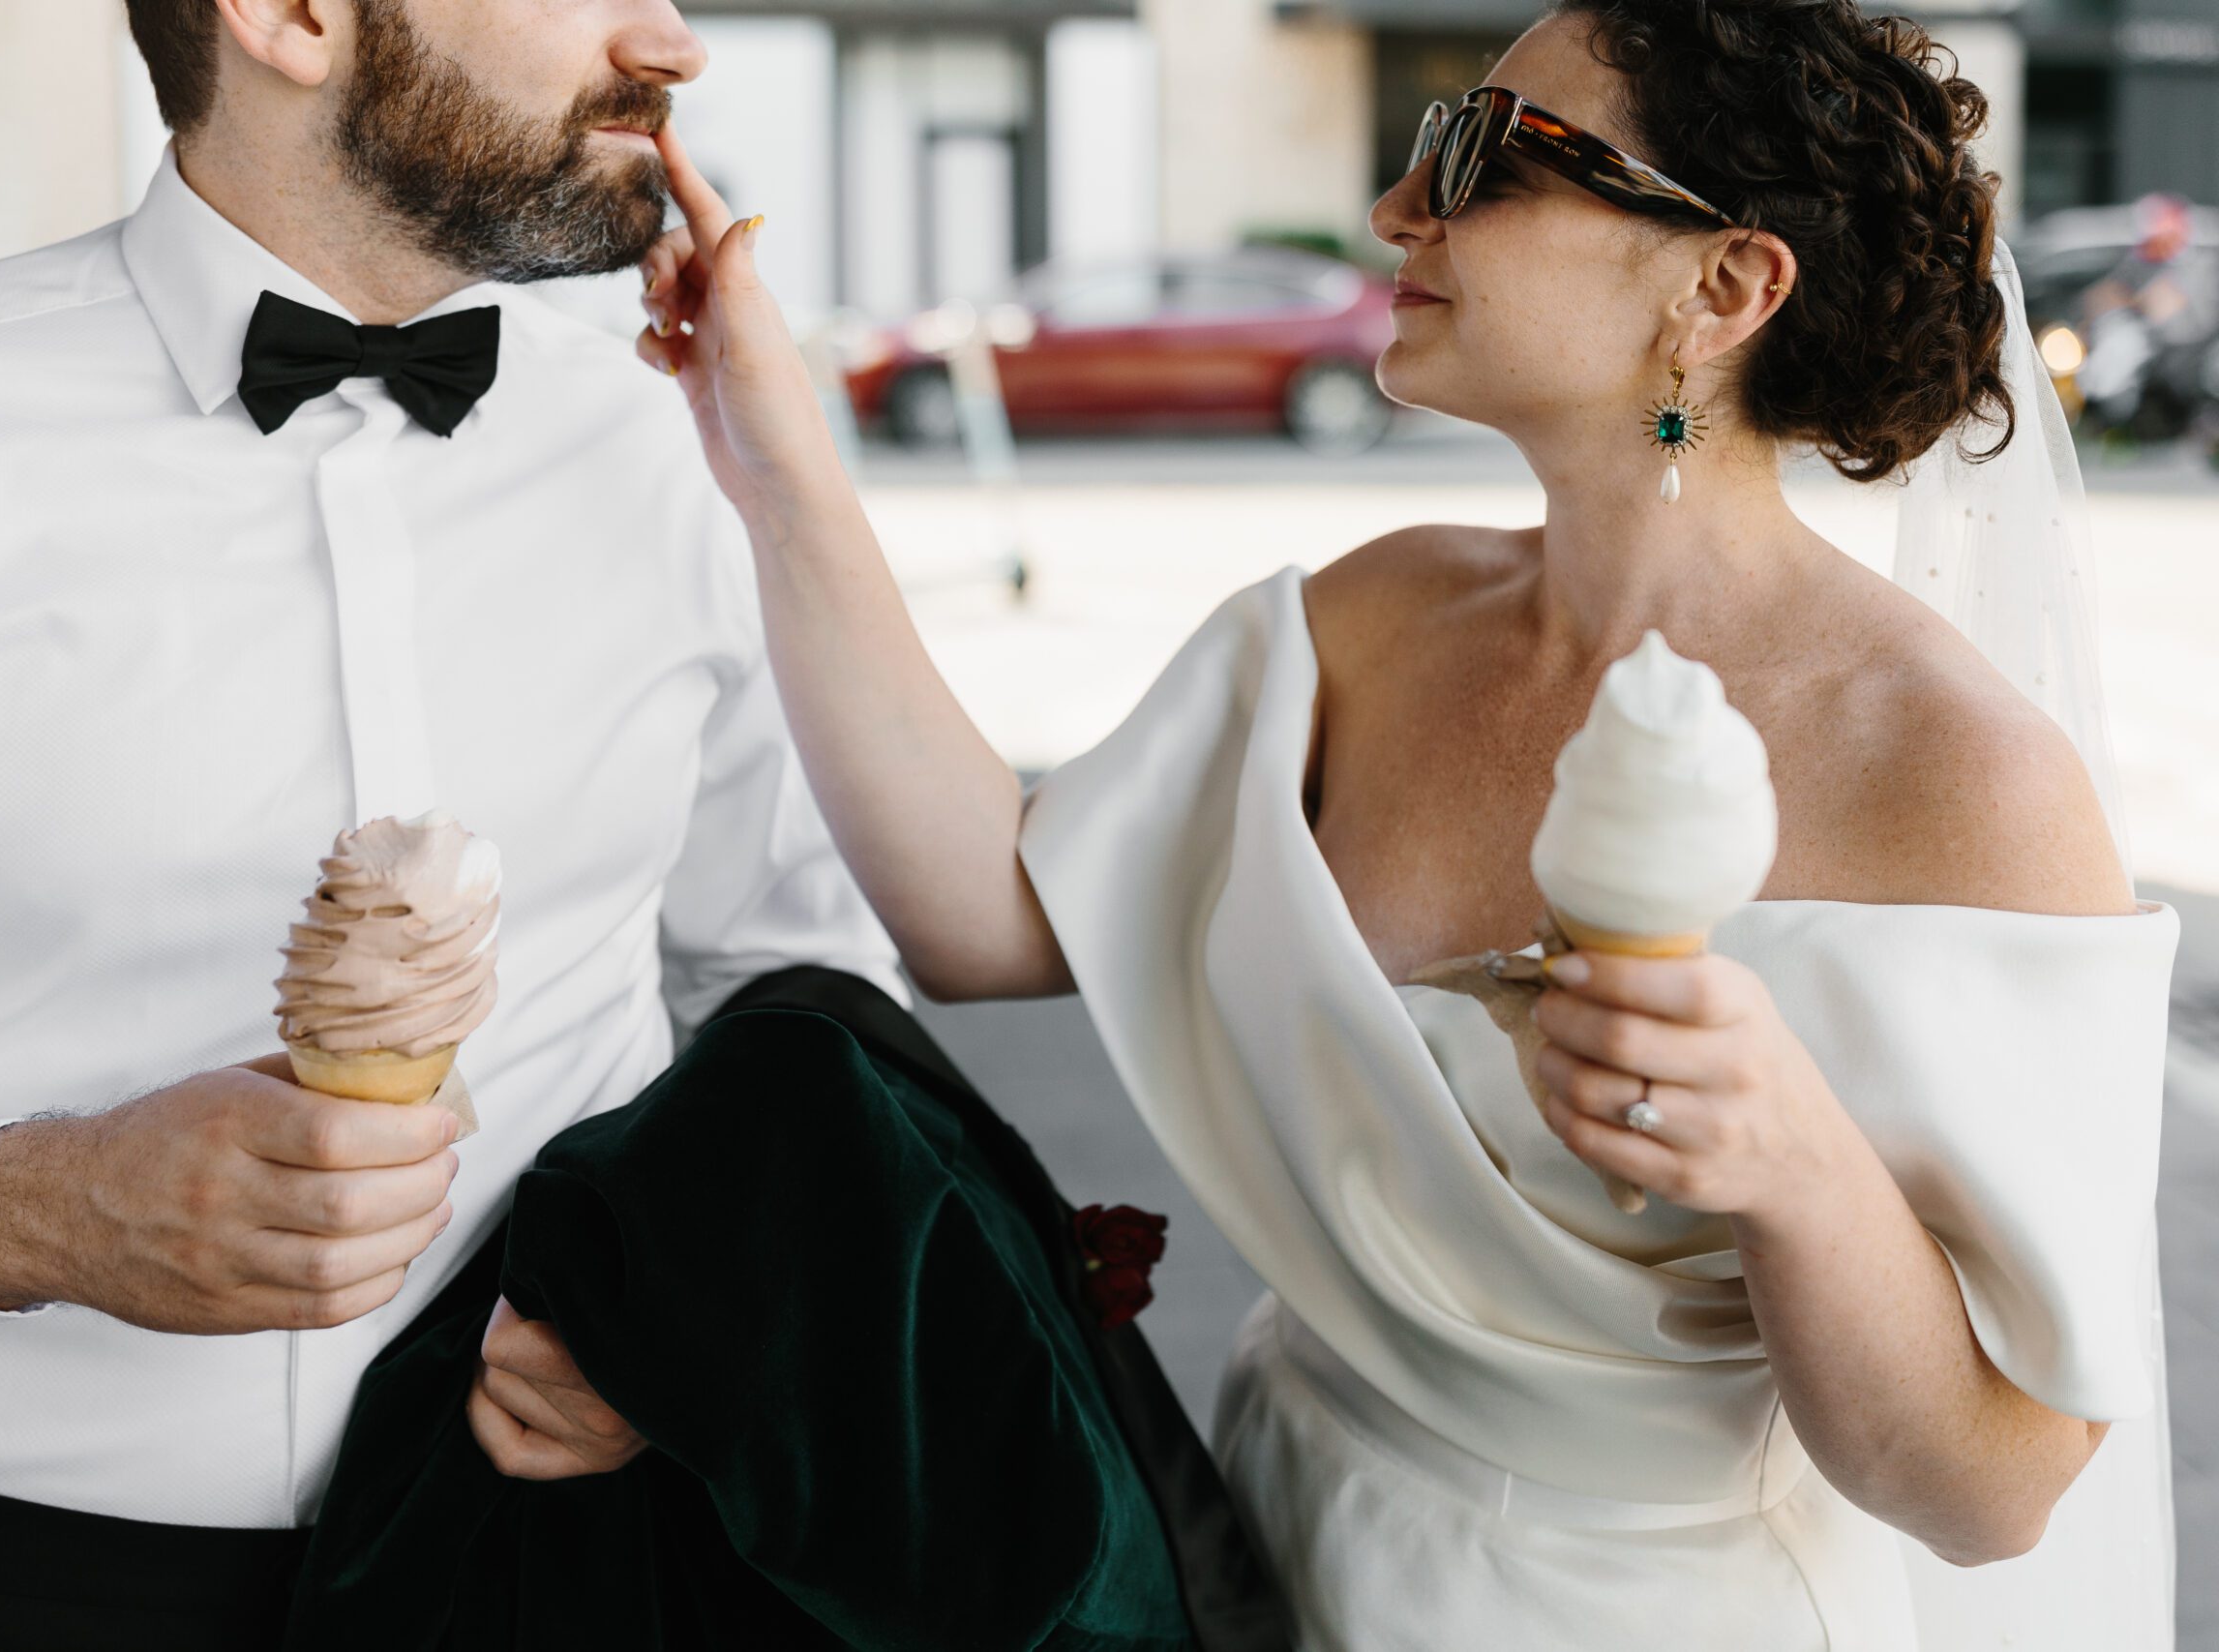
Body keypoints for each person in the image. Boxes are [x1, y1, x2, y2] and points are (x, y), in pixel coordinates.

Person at [632, 0, 2183, 1645]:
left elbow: (1992, 1493)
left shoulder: (1955, 775)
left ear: (1723, 287)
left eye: (1484, 156)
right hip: (1270, 1538)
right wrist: (774, 451)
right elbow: (982, 913)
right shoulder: (1370, 623)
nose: (1395, 208)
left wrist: (1788, 1162)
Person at [0, 1, 901, 1645]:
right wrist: (28, 1212)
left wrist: (699, 1309)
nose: (675, 39)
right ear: (290, 15)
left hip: (585, 1571)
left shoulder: (688, 433)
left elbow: (800, 989)